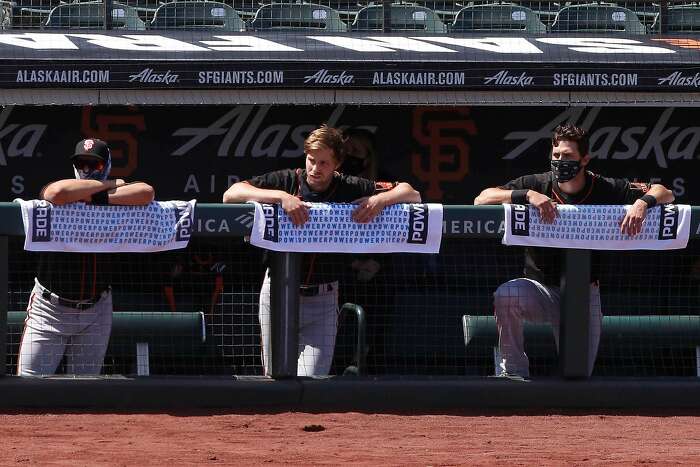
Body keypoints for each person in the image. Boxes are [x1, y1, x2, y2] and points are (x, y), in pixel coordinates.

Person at [474, 124, 674, 379]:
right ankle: (512, 373)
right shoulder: (537, 184)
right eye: (556, 155)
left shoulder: (605, 187)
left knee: (579, 379)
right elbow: (482, 198)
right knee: (507, 294)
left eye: (568, 156)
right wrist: (527, 195)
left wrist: (641, 204)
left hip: (584, 293)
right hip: (541, 289)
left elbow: (665, 192)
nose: (560, 161)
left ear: (584, 159)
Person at [223, 124, 420, 376]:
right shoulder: (287, 180)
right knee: (275, 377)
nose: (315, 169)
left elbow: (412, 193)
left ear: (337, 163)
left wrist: (379, 200)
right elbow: (232, 194)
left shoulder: (349, 185)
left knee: (314, 378)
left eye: (324, 163)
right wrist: (281, 197)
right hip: (279, 293)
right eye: (311, 160)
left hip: (324, 299)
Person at [18, 138, 155, 376]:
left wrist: (99, 197)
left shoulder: (116, 195)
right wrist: (107, 184)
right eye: (82, 164)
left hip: (96, 309)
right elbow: (57, 193)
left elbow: (146, 192)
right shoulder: (62, 187)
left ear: (108, 164)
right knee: (29, 387)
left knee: (85, 390)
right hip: (50, 309)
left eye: (96, 165)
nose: (88, 170)